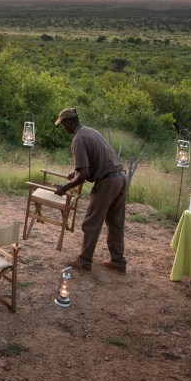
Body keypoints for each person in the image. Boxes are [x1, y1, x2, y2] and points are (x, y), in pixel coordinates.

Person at [52, 107, 128, 274]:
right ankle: (118, 261)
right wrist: (76, 173)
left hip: (107, 182)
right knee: (115, 222)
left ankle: (84, 260)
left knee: (92, 222)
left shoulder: (78, 139)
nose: (63, 128)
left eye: (63, 125)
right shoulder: (91, 131)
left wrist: (65, 188)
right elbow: (93, 161)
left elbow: (85, 173)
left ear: (68, 122)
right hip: (121, 177)